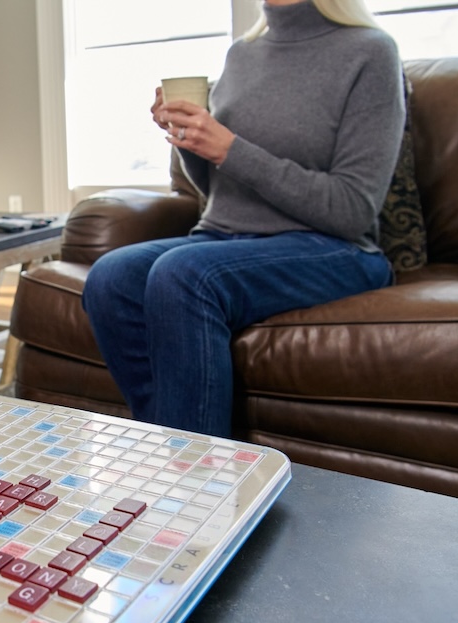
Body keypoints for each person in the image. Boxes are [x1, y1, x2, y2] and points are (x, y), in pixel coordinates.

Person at [82, 0, 404, 438]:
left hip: (333, 246)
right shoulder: (243, 54)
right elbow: (220, 187)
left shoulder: (370, 52)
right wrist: (190, 140)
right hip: (225, 238)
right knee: (111, 277)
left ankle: (197, 484)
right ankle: (173, 454)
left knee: (183, 275)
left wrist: (230, 149)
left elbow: (351, 209)